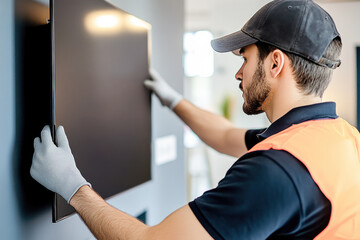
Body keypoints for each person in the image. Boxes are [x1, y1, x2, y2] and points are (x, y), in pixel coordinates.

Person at [31, 0, 360, 239]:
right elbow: (225, 135)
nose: (238, 73)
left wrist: (73, 188)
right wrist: (173, 100)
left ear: (275, 64)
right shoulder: (339, 137)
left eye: (244, 58)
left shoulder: (275, 171)